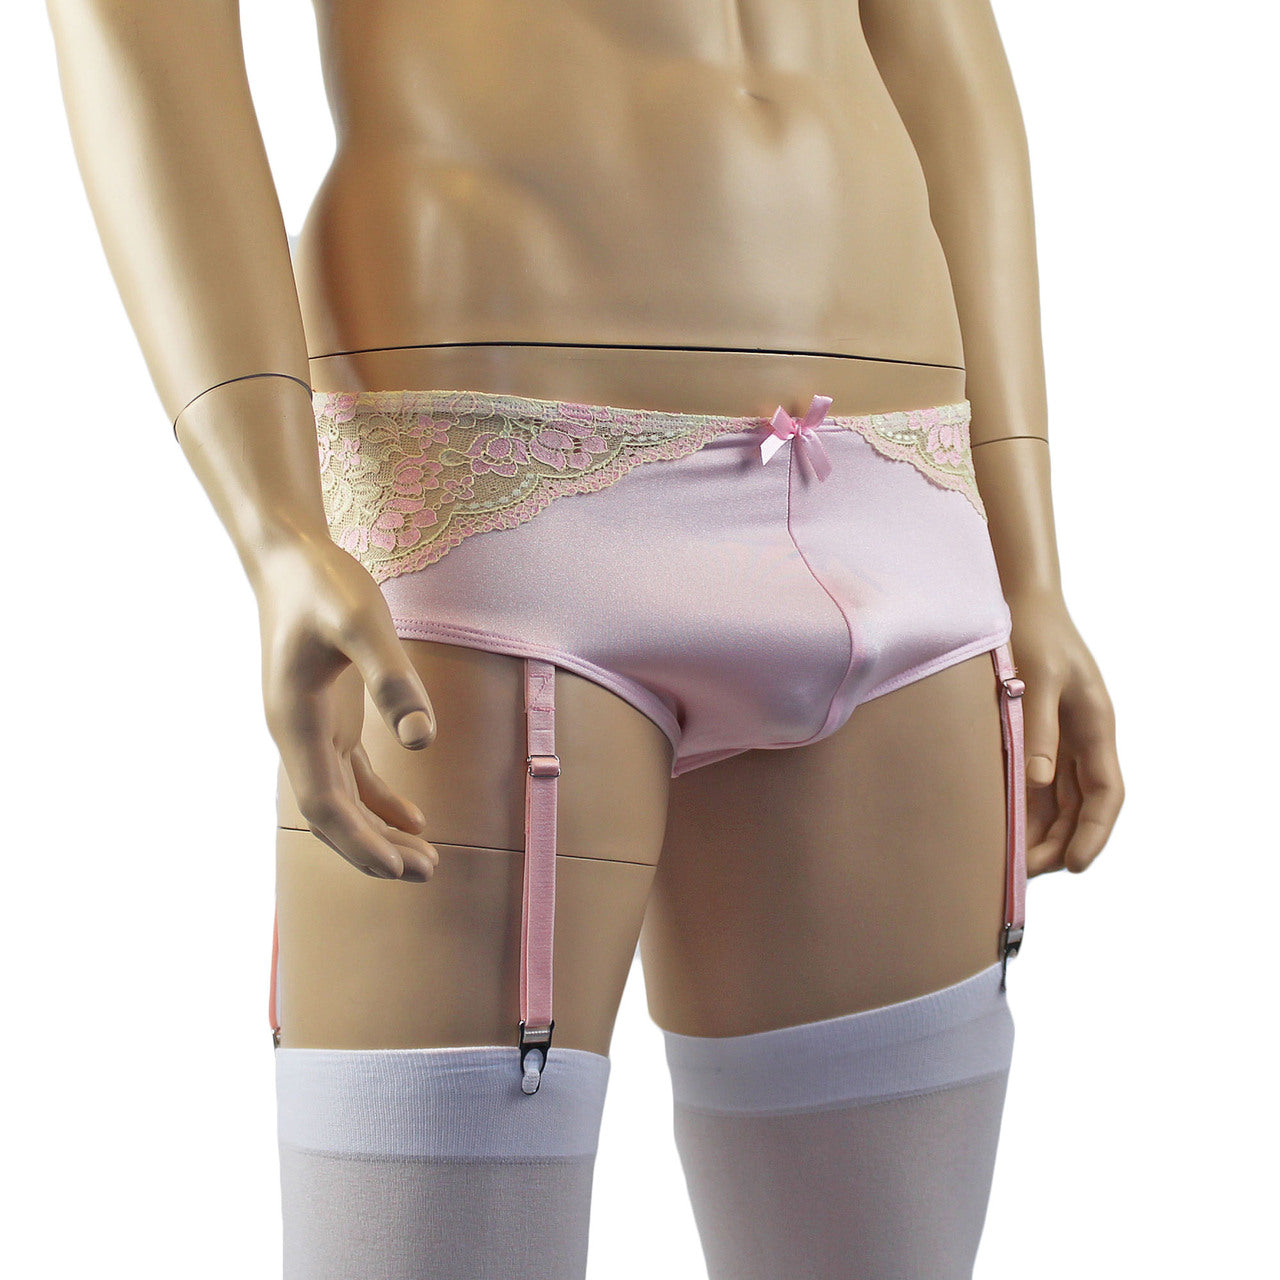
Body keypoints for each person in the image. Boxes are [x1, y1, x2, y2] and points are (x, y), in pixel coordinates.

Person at [45, 1, 1124, 1276]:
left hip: (903, 504)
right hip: (496, 505)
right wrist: (274, 522)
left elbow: (938, 43)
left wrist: (1030, 562)